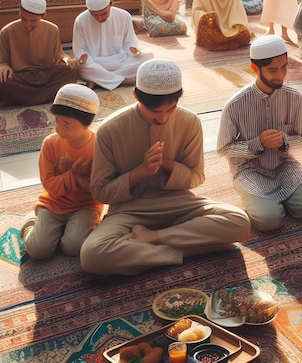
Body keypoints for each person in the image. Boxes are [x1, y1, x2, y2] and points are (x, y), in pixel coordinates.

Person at [80, 59, 251, 276]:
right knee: (92, 255)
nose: (163, 118)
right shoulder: (109, 130)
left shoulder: (190, 122)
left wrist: (168, 164)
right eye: (155, 111)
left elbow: (196, 177)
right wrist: (140, 171)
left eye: (170, 109)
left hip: (179, 205)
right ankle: (189, 250)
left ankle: (153, 238)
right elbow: (100, 192)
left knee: (240, 221)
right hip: (129, 211)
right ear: (135, 96)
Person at [217, 36, 302, 231]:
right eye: (273, 70)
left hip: (284, 165)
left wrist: (284, 141)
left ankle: (274, 203)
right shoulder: (235, 105)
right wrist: (257, 144)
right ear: (255, 68)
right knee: (269, 221)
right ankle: (266, 204)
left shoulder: (294, 98)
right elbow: (224, 148)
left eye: (284, 67)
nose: (280, 75)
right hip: (249, 170)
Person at [20, 84, 102, 259]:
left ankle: (66, 229)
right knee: (39, 251)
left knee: (73, 247)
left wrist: (75, 177)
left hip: (85, 206)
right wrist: (70, 175)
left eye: (67, 124)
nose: (59, 128)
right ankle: (30, 222)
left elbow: (100, 188)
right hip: (54, 203)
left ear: (87, 123)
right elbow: (48, 183)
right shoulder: (51, 143)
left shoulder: (98, 146)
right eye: (57, 120)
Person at [0, 0, 79, 108]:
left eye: (33, 21)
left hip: (46, 74)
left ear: (43, 15)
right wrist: (3, 65)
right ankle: (47, 96)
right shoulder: (6, 31)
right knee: (3, 82)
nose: (27, 24)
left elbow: (59, 54)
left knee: (72, 71)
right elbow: (2, 61)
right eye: (24, 18)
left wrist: (67, 58)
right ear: (19, 12)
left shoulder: (52, 29)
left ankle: (18, 99)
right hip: (21, 77)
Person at [73, 0, 154, 90]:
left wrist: (132, 49)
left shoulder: (124, 16)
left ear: (111, 3)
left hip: (119, 60)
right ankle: (125, 81)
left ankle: (100, 81)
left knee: (148, 56)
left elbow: (128, 42)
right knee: (80, 68)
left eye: (103, 14)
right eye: (94, 15)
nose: (99, 18)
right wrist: (82, 56)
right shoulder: (80, 20)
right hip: (95, 62)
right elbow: (79, 49)